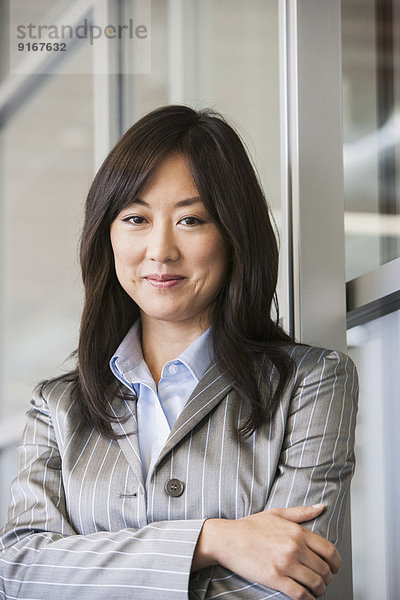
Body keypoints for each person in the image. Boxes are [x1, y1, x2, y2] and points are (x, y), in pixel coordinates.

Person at [0, 104, 358, 600]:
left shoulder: (313, 382)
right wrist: (212, 540)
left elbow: (287, 580)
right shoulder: (57, 405)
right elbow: (21, 572)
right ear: (107, 235)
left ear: (234, 235)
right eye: (135, 218)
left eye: (191, 219)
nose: (161, 250)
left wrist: (89, 571)